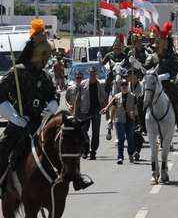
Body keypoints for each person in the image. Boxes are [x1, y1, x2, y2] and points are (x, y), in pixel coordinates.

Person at [0, 19, 92, 190]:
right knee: (3, 147)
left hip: (41, 122)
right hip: (20, 122)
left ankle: (76, 176)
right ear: (35, 55)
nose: (45, 61)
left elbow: (54, 95)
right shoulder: (17, 72)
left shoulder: (44, 76)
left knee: (69, 139)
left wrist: (51, 105)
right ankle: (2, 182)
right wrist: (13, 116)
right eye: (44, 57)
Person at [153, 22, 178, 132]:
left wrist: (164, 76)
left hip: (166, 83)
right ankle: (141, 125)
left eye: (160, 41)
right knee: (140, 99)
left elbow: (174, 72)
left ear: (166, 42)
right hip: (153, 83)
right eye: (158, 41)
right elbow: (146, 66)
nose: (158, 43)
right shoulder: (153, 55)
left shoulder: (172, 56)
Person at [69, 67, 107, 160]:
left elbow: (104, 97)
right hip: (85, 111)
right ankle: (85, 150)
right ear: (89, 74)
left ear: (96, 74)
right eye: (91, 73)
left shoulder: (100, 84)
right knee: (83, 131)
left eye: (94, 73)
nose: (92, 74)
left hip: (96, 111)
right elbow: (78, 98)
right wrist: (74, 111)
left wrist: (105, 108)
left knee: (96, 132)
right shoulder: (83, 84)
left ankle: (93, 151)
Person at [101, 79, 137, 164]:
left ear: (128, 86)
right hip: (119, 120)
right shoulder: (117, 97)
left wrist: (134, 114)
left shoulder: (133, 96)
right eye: (122, 85)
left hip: (130, 120)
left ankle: (131, 154)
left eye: (125, 85)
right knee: (121, 139)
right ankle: (120, 157)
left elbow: (136, 108)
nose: (124, 86)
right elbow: (111, 107)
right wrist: (106, 111)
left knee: (130, 139)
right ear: (120, 87)